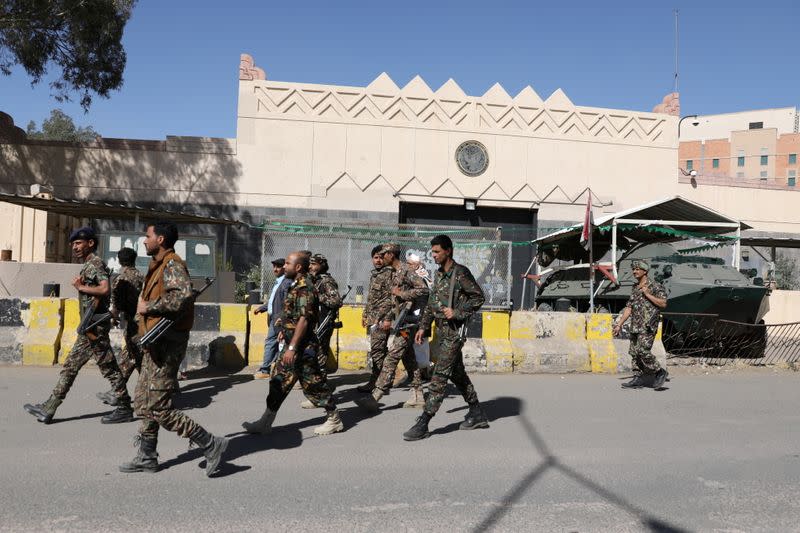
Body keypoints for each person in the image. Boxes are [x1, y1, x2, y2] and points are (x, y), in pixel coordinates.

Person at [119, 221, 228, 476]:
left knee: (159, 407)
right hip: (154, 345)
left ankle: (210, 443)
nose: (144, 241)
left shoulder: (172, 264)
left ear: (160, 239)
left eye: (148, 236)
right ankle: (147, 455)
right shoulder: (157, 266)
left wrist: (149, 307)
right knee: (144, 401)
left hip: (167, 346)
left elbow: (182, 296)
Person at [24, 227, 134, 425]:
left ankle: (124, 407)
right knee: (76, 367)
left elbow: (104, 288)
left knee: (102, 369)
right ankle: (49, 408)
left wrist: (80, 287)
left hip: (94, 328)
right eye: (73, 244)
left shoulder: (95, 263)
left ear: (90, 243)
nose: (74, 247)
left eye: (78, 243)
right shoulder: (88, 265)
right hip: (90, 327)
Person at [242, 251, 344, 436]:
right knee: (278, 383)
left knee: (314, 385)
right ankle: (266, 421)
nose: (284, 266)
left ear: (298, 267)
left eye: (288, 263)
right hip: (292, 344)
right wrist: (284, 331)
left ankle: (334, 419)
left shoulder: (305, 287)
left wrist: (292, 347)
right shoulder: (294, 284)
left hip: (302, 347)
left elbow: (304, 320)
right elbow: (293, 316)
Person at [404, 234, 489, 441]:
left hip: (454, 333)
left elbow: (479, 297)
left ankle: (425, 421)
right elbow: (433, 303)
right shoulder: (440, 274)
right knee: (457, 374)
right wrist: (424, 327)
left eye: (436, 252)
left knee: (439, 374)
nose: (433, 255)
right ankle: (476, 412)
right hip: (442, 332)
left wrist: (458, 312)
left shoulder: (460, 273)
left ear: (448, 251)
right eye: (432, 252)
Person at [355, 243, 428, 412]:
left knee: (393, 355)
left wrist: (401, 294)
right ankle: (417, 394)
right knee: (408, 357)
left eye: (383, 255)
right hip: (401, 321)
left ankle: (377, 395)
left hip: (410, 321)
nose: (381, 258)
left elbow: (423, 289)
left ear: (390, 255)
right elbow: (391, 300)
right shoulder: (395, 272)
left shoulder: (406, 270)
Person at [97, 247, 145, 411]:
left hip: (132, 323)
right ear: (134, 259)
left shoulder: (120, 279)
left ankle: (155, 392)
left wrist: (113, 318)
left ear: (119, 260)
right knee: (129, 357)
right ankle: (117, 391)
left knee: (138, 359)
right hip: (142, 321)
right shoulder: (141, 276)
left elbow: (116, 305)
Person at [613, 259, 669, 389]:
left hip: (648, 325)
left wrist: (647, 294)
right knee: (634, 352)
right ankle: (638, 378)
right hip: (635, 325)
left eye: (637, 269)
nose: (634, 271)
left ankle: (659, 371)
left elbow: (663, 303)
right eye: (633, 269)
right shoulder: (635, 287)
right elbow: (629, 307)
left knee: (643, 351)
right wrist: (619, 324)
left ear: (645, 271)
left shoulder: (655, 286)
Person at [359, 245, 394, 392]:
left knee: (377, 351)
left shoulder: (389, 274)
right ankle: (381, 381)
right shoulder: (375, 274)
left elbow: (391, 299)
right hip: (373, 319)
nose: (378, 260)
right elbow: (371, 298)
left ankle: (380, 383)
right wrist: (365, 314)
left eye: (381, 257)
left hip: (381, 319)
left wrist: (387, 318)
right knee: (378, 351)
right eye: (375, 257)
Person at [253, 258, 292, 379]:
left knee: (271, 342)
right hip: (273, 317)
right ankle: (272, 368)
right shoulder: (278, 282)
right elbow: (273, 301)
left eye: (278, 267)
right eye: (274, 266)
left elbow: (287, 303)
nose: (275, 269)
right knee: (276, 344)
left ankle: (265, 369)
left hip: (278, 319)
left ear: (284, 268)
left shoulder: (286, 282)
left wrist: (282, 319)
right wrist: (263, 308)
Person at [309, 253, 343, 377]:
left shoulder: (326, 281)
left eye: (314, 264)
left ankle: (320, 378)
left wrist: (319, 296)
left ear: (321, 265)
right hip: (315, 320)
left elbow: (337, 301)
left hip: (324, 321)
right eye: (310, 264)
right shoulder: (315, 280)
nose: (311, 267)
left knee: (321, 350)